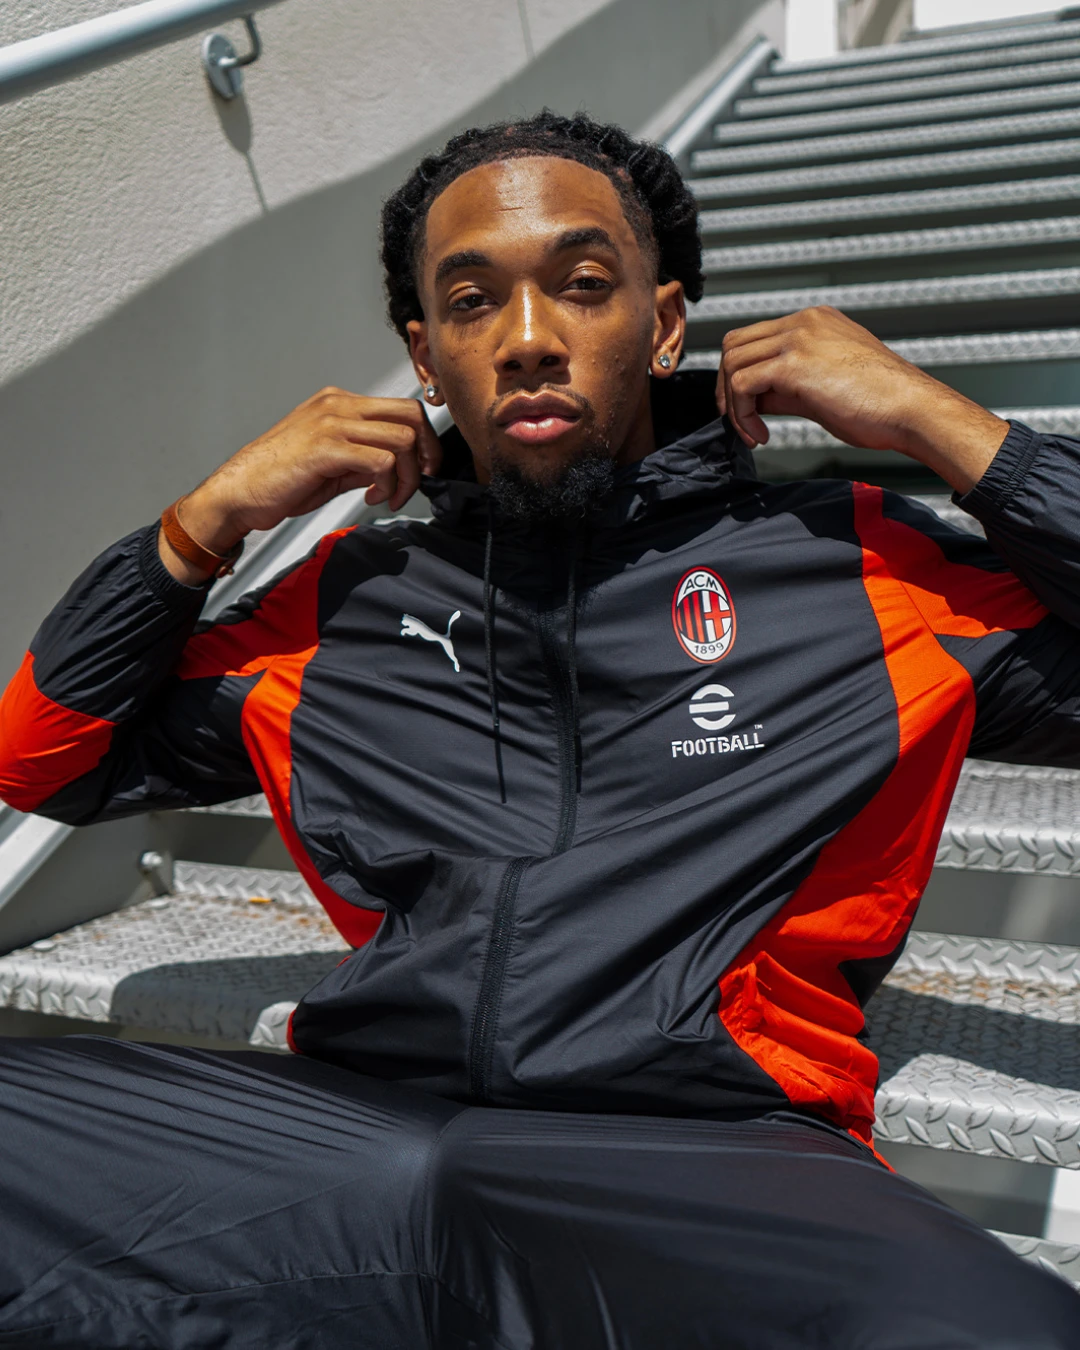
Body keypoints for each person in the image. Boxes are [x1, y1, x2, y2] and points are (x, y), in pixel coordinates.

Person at [0, 109, 1077, 1348]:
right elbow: (41, 761)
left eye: (581, 285)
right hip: (348, 1135)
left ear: (663, 326)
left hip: (705, 1160)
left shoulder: (853, 570)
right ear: (427, 356)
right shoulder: (341, 604)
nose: (526, 339)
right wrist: (208, 520)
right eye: (471, 303)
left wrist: (945, 423)